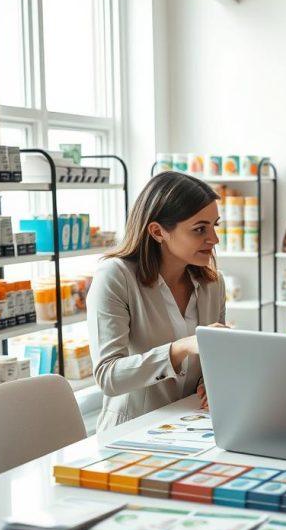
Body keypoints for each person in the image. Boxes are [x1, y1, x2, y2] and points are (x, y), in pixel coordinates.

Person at [88, 172, 227, 432]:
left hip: (192, 425)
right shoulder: (115, 277)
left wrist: (212, 381)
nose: (214, 239)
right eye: (200, 229)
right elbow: (108, 377)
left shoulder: (213, 283)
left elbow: (213, 361)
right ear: (157, 231)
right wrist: (180, 348)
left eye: (214, 226)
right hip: (132, 431)